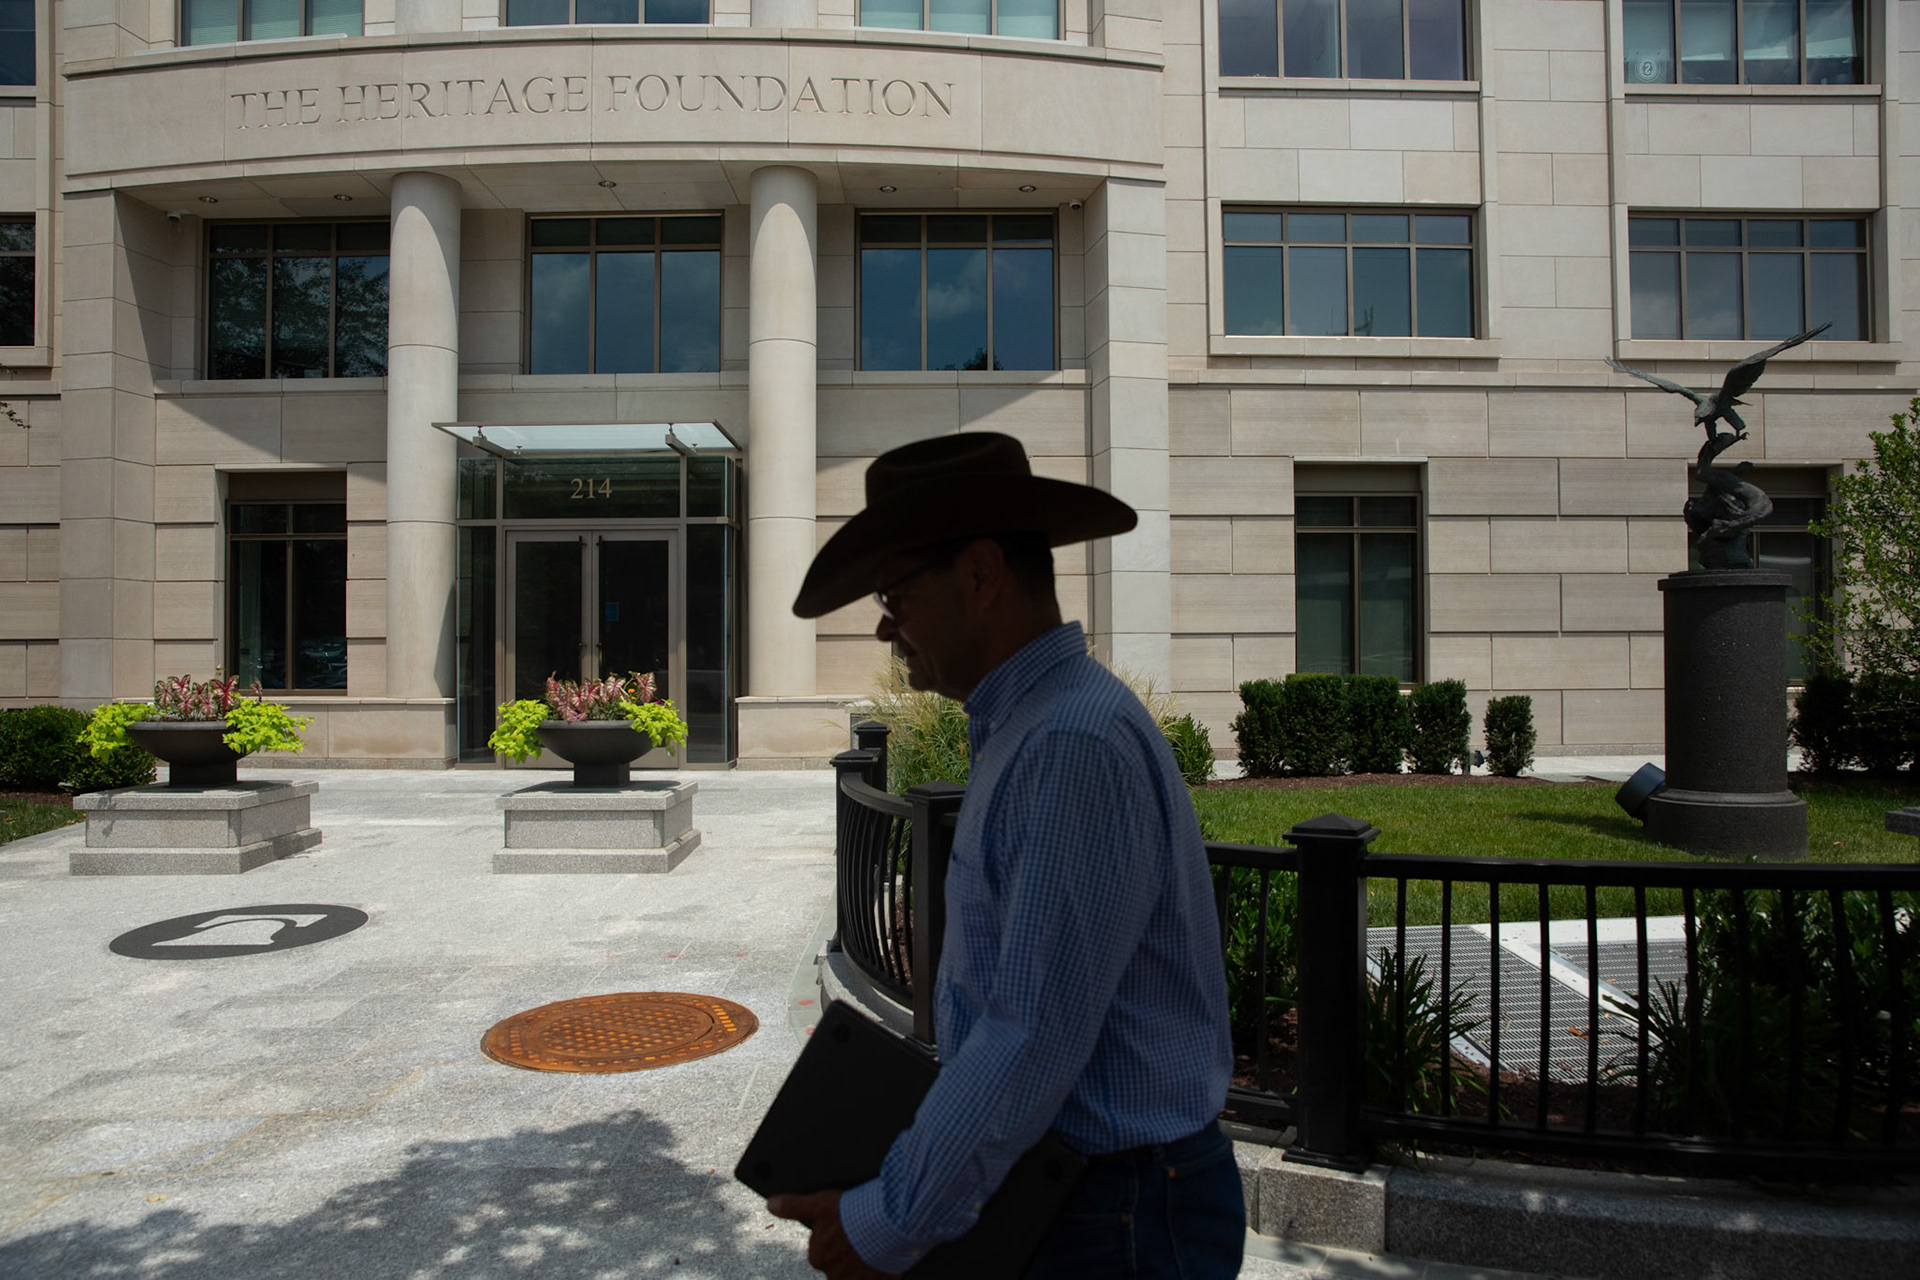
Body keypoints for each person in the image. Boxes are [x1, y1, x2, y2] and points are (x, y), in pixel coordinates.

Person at [767, 432, 1242, 1279]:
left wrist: (886, 1222)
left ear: (980, 574)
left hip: (1117, 1212)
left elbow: (1028, 1034)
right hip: (1099, 1198)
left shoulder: (1068, 742)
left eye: (895, 593)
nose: (885, 626)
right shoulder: (1037, 726)